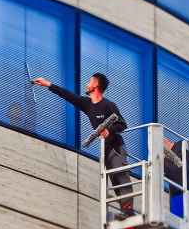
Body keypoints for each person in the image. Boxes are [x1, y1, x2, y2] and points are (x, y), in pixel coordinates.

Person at [32, 73, 135, 217]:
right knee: (115, 181)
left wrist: (109, 130)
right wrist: (49, 85)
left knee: (120, 177)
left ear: (96, 85)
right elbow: (69, 96)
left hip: (116, 148)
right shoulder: (88, 104)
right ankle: (127, 211)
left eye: (90, 81)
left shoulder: (108, 105)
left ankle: (128, 211)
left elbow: (122, 124)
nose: (87, 84)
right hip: (105, 150)